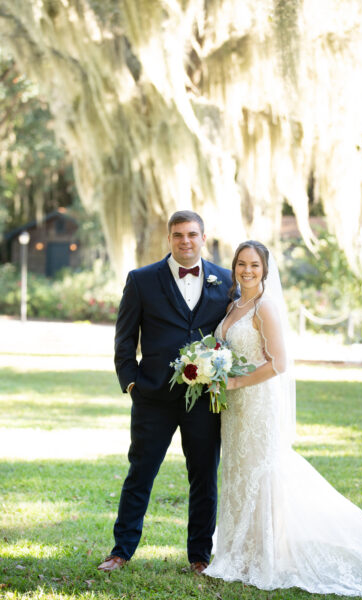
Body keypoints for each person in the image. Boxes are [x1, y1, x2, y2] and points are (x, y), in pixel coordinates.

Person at [204, 240, 362, 596]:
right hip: (234, 407)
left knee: (261, 471)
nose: (247, 271)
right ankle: (239, 551)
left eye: (254, 266)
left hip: (257, 400)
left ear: (265, 270)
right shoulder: (234, 304)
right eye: (241, 264)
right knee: (237, 470)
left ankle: (267, 554)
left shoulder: (265, 308)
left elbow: (278, 363)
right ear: (234, 267)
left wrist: (235, 381)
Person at [98, 210, 232, 574]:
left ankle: (199, 557)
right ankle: (121, 551)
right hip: (152, 397)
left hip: (205, 399)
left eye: (191, 234)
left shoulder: (226, 280)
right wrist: (131, 383)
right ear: (169, 239)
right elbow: (124, 339)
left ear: (203, 237)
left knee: (204, 476)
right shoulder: (142, 280)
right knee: (140, 473)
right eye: (177, 235)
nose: (185, 241)